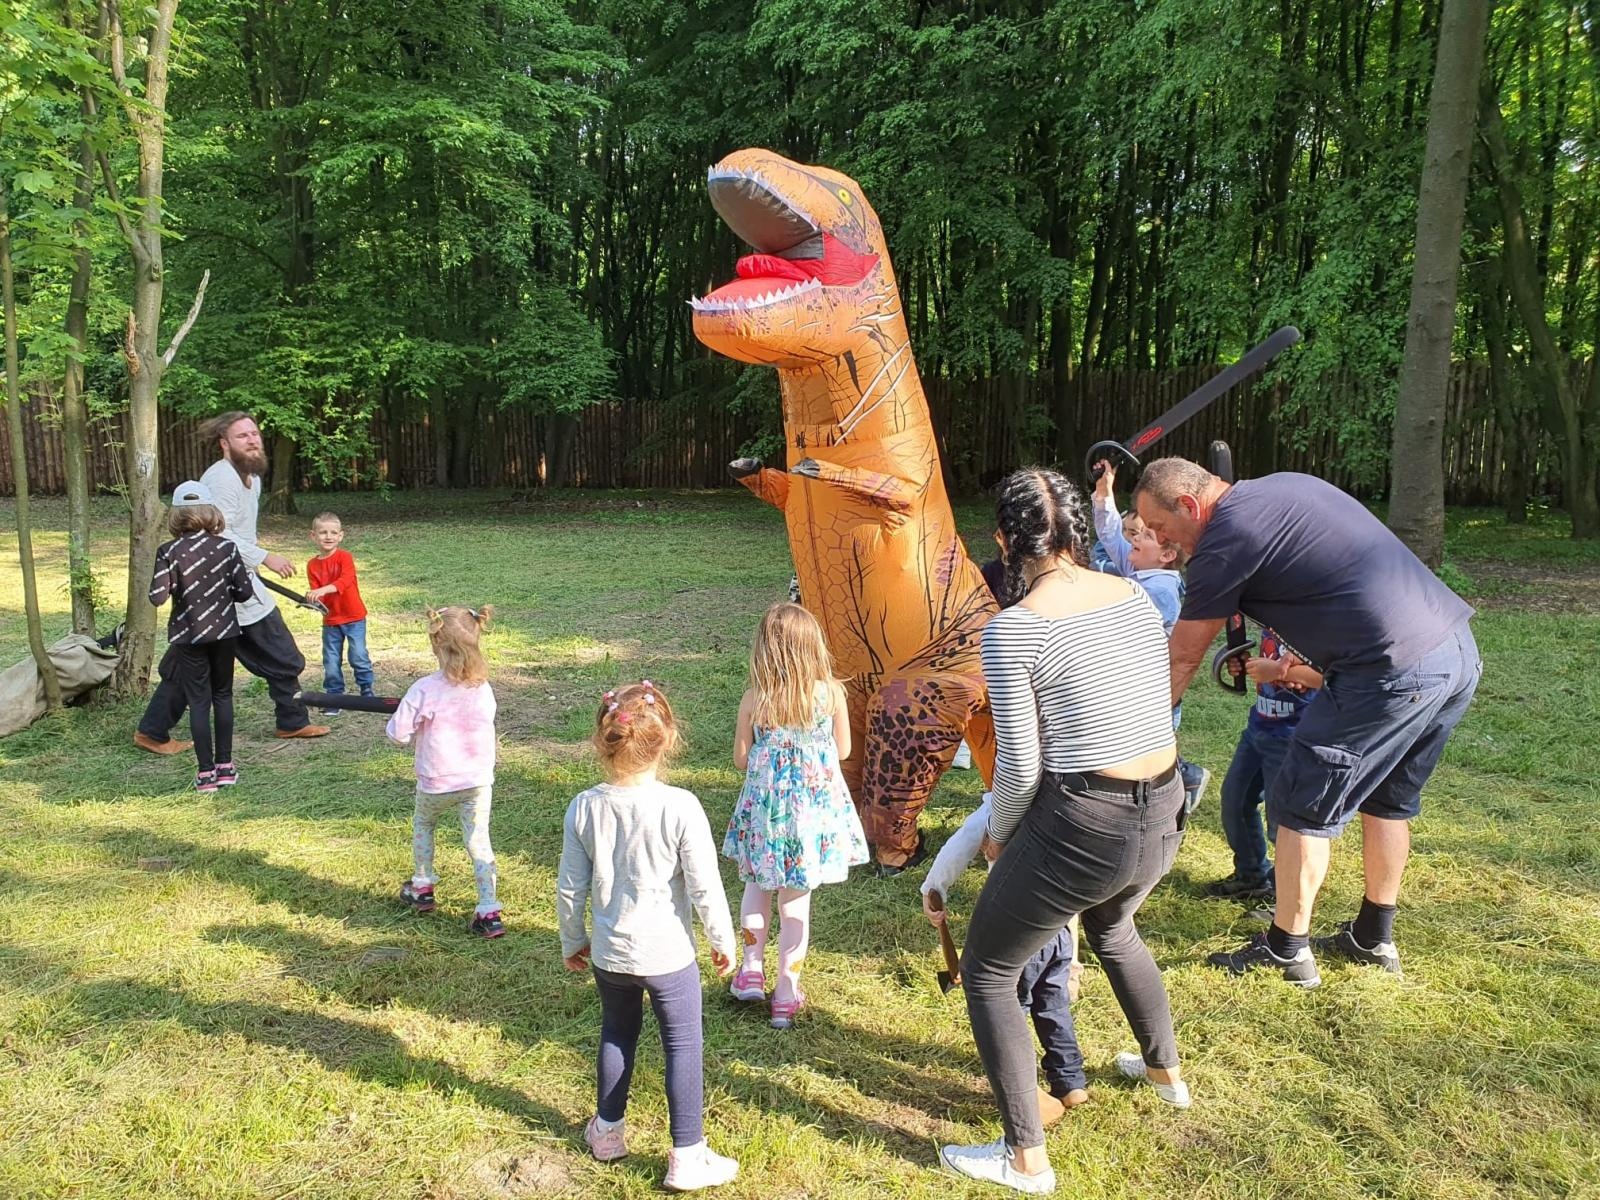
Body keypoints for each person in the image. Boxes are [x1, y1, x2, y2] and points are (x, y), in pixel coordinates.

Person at [1134, 458, 1480, 987]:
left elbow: (1181, 658)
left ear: (1189, 505)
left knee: (1298, 801)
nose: (1163, 540)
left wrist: (1142, 740)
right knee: (1387, 799)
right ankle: (1373, 936)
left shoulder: (1226, 536)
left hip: (1389, 668)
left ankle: (1286, 949)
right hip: (1453, 650)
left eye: (1160, 528)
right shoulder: (1285, 484)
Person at [941, 468, 1190, 1196]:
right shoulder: (1137, 598)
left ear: (1002, 542)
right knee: (1114, 929)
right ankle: (1165, 1072)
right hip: (1165, 810)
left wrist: (998, 841)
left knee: (988, 968)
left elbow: (1018, 770)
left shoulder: (1014, 627)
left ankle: (1025, 1159)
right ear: (1080, 533)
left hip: (1087, 822)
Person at [557, 681, 740, 1192]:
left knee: (617, 1032)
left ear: (601, 739)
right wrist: (723, 940)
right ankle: (687, 1155)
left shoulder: (584, 806)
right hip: (669, 956)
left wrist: (573, 939)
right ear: (669, 739)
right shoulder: (681, 806)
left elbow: (570, 885)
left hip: (612, 953)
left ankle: (608, 1133)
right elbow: (705, 885)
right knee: (683, 1045)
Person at [134, 412, 328, 751]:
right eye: (243, 436)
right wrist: (264, 557)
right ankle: (153, 732)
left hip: (238, 581)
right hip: (218, 591)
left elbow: (239, 533)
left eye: (255, 434)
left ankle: (292, 720)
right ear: (225, 444)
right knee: (264, 651)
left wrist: (252, 562)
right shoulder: (221, 479)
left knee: (270, 651)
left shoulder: (250, 477)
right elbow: (216, 533)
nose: (253, 440)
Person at [723, 603, 868, 1029]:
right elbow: (843, 751)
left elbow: (740, 760)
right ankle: (786, 991)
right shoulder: (831, 694)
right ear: (814, 648)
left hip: (766, 815)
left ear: (765, 650)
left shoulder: (756, 699)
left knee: (756, 886)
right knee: (795, 904)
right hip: (811, 819)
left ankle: (751, 969)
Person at [922, 792, 1088, 1127]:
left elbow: (959, 847)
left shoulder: (1002, 802)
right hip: (1058, 928)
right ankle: (1070, 1083)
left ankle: (1024, 1092)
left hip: (1017, 928)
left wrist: (933, 887)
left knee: (1010, 1010)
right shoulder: (1070, 798)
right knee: (1053, 1006)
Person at [1092, 458, 1211, 812]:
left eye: (1145, 536)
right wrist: (1104, 494)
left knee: (1151, 752)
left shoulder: (1159, 588)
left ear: (1168, 554)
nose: (1135, 539)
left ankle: (1181, 787)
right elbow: (1112, 533)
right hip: (1133, 688)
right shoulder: (1141, 569)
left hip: (1154, 690)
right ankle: (1177, 784)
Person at [386, 605, 503, 939]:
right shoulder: (483, 688)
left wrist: (410, 719)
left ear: (434, 643)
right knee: (478, 839)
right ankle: (489, 909)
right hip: (478, 780)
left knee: (424, 824)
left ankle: (422, 886)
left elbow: (398, 734)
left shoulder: (424, 689)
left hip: (437, 780)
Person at [146, 481, 256, 791]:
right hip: (224, 632)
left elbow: (156, 597)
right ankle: (226, 766)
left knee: (198, 702)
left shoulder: (168, 551)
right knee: (223, 696)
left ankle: (205, 773)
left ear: (176, 515)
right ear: (211, 512)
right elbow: (244, 593)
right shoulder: (226, 548)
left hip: (187, 635)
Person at [1207, 627, 1323, 903]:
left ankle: (1285, 902)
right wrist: (1245, 663)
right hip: (1259, 726)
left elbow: (1331, 676)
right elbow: (1268, 661)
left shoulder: (1320, 617)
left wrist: (1281, 672)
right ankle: (1251, 876)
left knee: (1283, 825)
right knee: (1235, 800)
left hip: (1294, 737)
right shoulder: (1272, 615)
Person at [306, 511, 375, 716]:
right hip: (331, 620)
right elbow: (319, 597)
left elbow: (344, 582)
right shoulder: (312, 564)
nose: (328, 536)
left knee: (358, 655)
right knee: (331, 659)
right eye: (323, 532)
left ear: (341, 535)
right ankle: (334, 696)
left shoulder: (345, 557)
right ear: (313, 536)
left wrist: (322, 590)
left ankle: (367, 691)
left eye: (333, 532)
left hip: (354, 617)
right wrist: (313, 601)